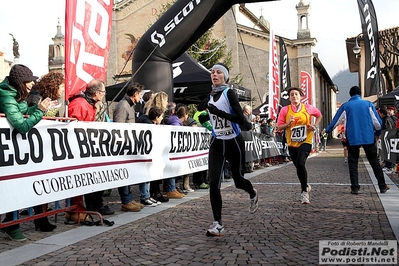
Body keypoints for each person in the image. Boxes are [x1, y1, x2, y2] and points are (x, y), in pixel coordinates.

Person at [0, 64, 54, 241]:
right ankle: (11, 225)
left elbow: (23, 111)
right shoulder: (7, 97)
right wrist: (39, 111)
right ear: (20, 83)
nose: (32, 84)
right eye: (29, 81)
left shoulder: (16, 94)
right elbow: (22, 126)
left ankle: (11, 223)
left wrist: (39, 109)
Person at [205, 63, 259, 237]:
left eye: (218, 72)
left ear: (225, 77)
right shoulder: (210, 95)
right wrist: (208, 114)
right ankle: (218, 223)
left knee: (238, 180)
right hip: (217, 141)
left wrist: (218, 113)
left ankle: (252, 192)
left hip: (233, 141)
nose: (214, 74)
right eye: (212, 72)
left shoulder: (229, 93)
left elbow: (239, 118)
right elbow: (211, 113)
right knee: (213, 183)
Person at [323, 86, 390, 195]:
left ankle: (355, 187)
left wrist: (327, 130)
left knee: (353, 162)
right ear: (360, 93)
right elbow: (378, 123)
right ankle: (382, 186)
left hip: (353, 137)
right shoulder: (369, 105)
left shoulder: (346, 106)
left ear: (350, 94)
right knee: (374, 162)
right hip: (368, 137)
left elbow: (336, 120)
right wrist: (377, 134)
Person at [68, 79, 115, 215]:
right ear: (97, 93)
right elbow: (74, 129)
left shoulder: (89, 104)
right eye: (103, 92)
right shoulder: (79, 104)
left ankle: (96, 205)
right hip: (80, 150)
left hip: (89, 148)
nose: (104, 95)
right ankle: (83, 208)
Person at [26, 72, 65, 232]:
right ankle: (39, 219)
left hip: (45, 145)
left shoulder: (52, 99)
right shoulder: (36, 96)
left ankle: (42, 217)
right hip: (31, 145)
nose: (62, 90)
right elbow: (29, 116)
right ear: (54, 85)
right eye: (61, 87)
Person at [276, 87, 322, 204]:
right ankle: (305, 184)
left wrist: (314, 126)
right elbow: (279, 127)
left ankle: (304, 193)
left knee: (301, 163)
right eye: (292, 95)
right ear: (289, 97)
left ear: (301, 96)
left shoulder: (308, 108)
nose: (294, 96)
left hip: (306, 140)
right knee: (298, 166)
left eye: (296, 94)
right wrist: (288, 124)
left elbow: (319, 115)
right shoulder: (285, 110)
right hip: (292, 143)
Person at [112, 81, 146, 211]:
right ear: (135, 94)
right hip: (123, 147)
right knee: (124, 175)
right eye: (140, 94)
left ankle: (129, 199)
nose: (141, 97)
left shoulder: (129, 105)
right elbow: (118, 128)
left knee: (128, 175)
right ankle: (126, 201)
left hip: (128, 146)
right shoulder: (123, 106)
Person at [138, 106, 165, 206]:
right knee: (145, 175)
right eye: (161, 116)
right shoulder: (149, 126)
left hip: (150, 154)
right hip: (146, 154)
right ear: (156, 117)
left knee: (149, 175)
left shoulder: (151, 125)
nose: (162, 118)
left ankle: (147, 195)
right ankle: (144, 196)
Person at [378, 106, 395, 174]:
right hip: (388, 138)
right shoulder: (387, 118)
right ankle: (388, 165)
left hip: (388, 138)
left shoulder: (387, 120)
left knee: (388, 152)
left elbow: (388, 130)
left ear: (382, 113)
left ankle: (389, 167)